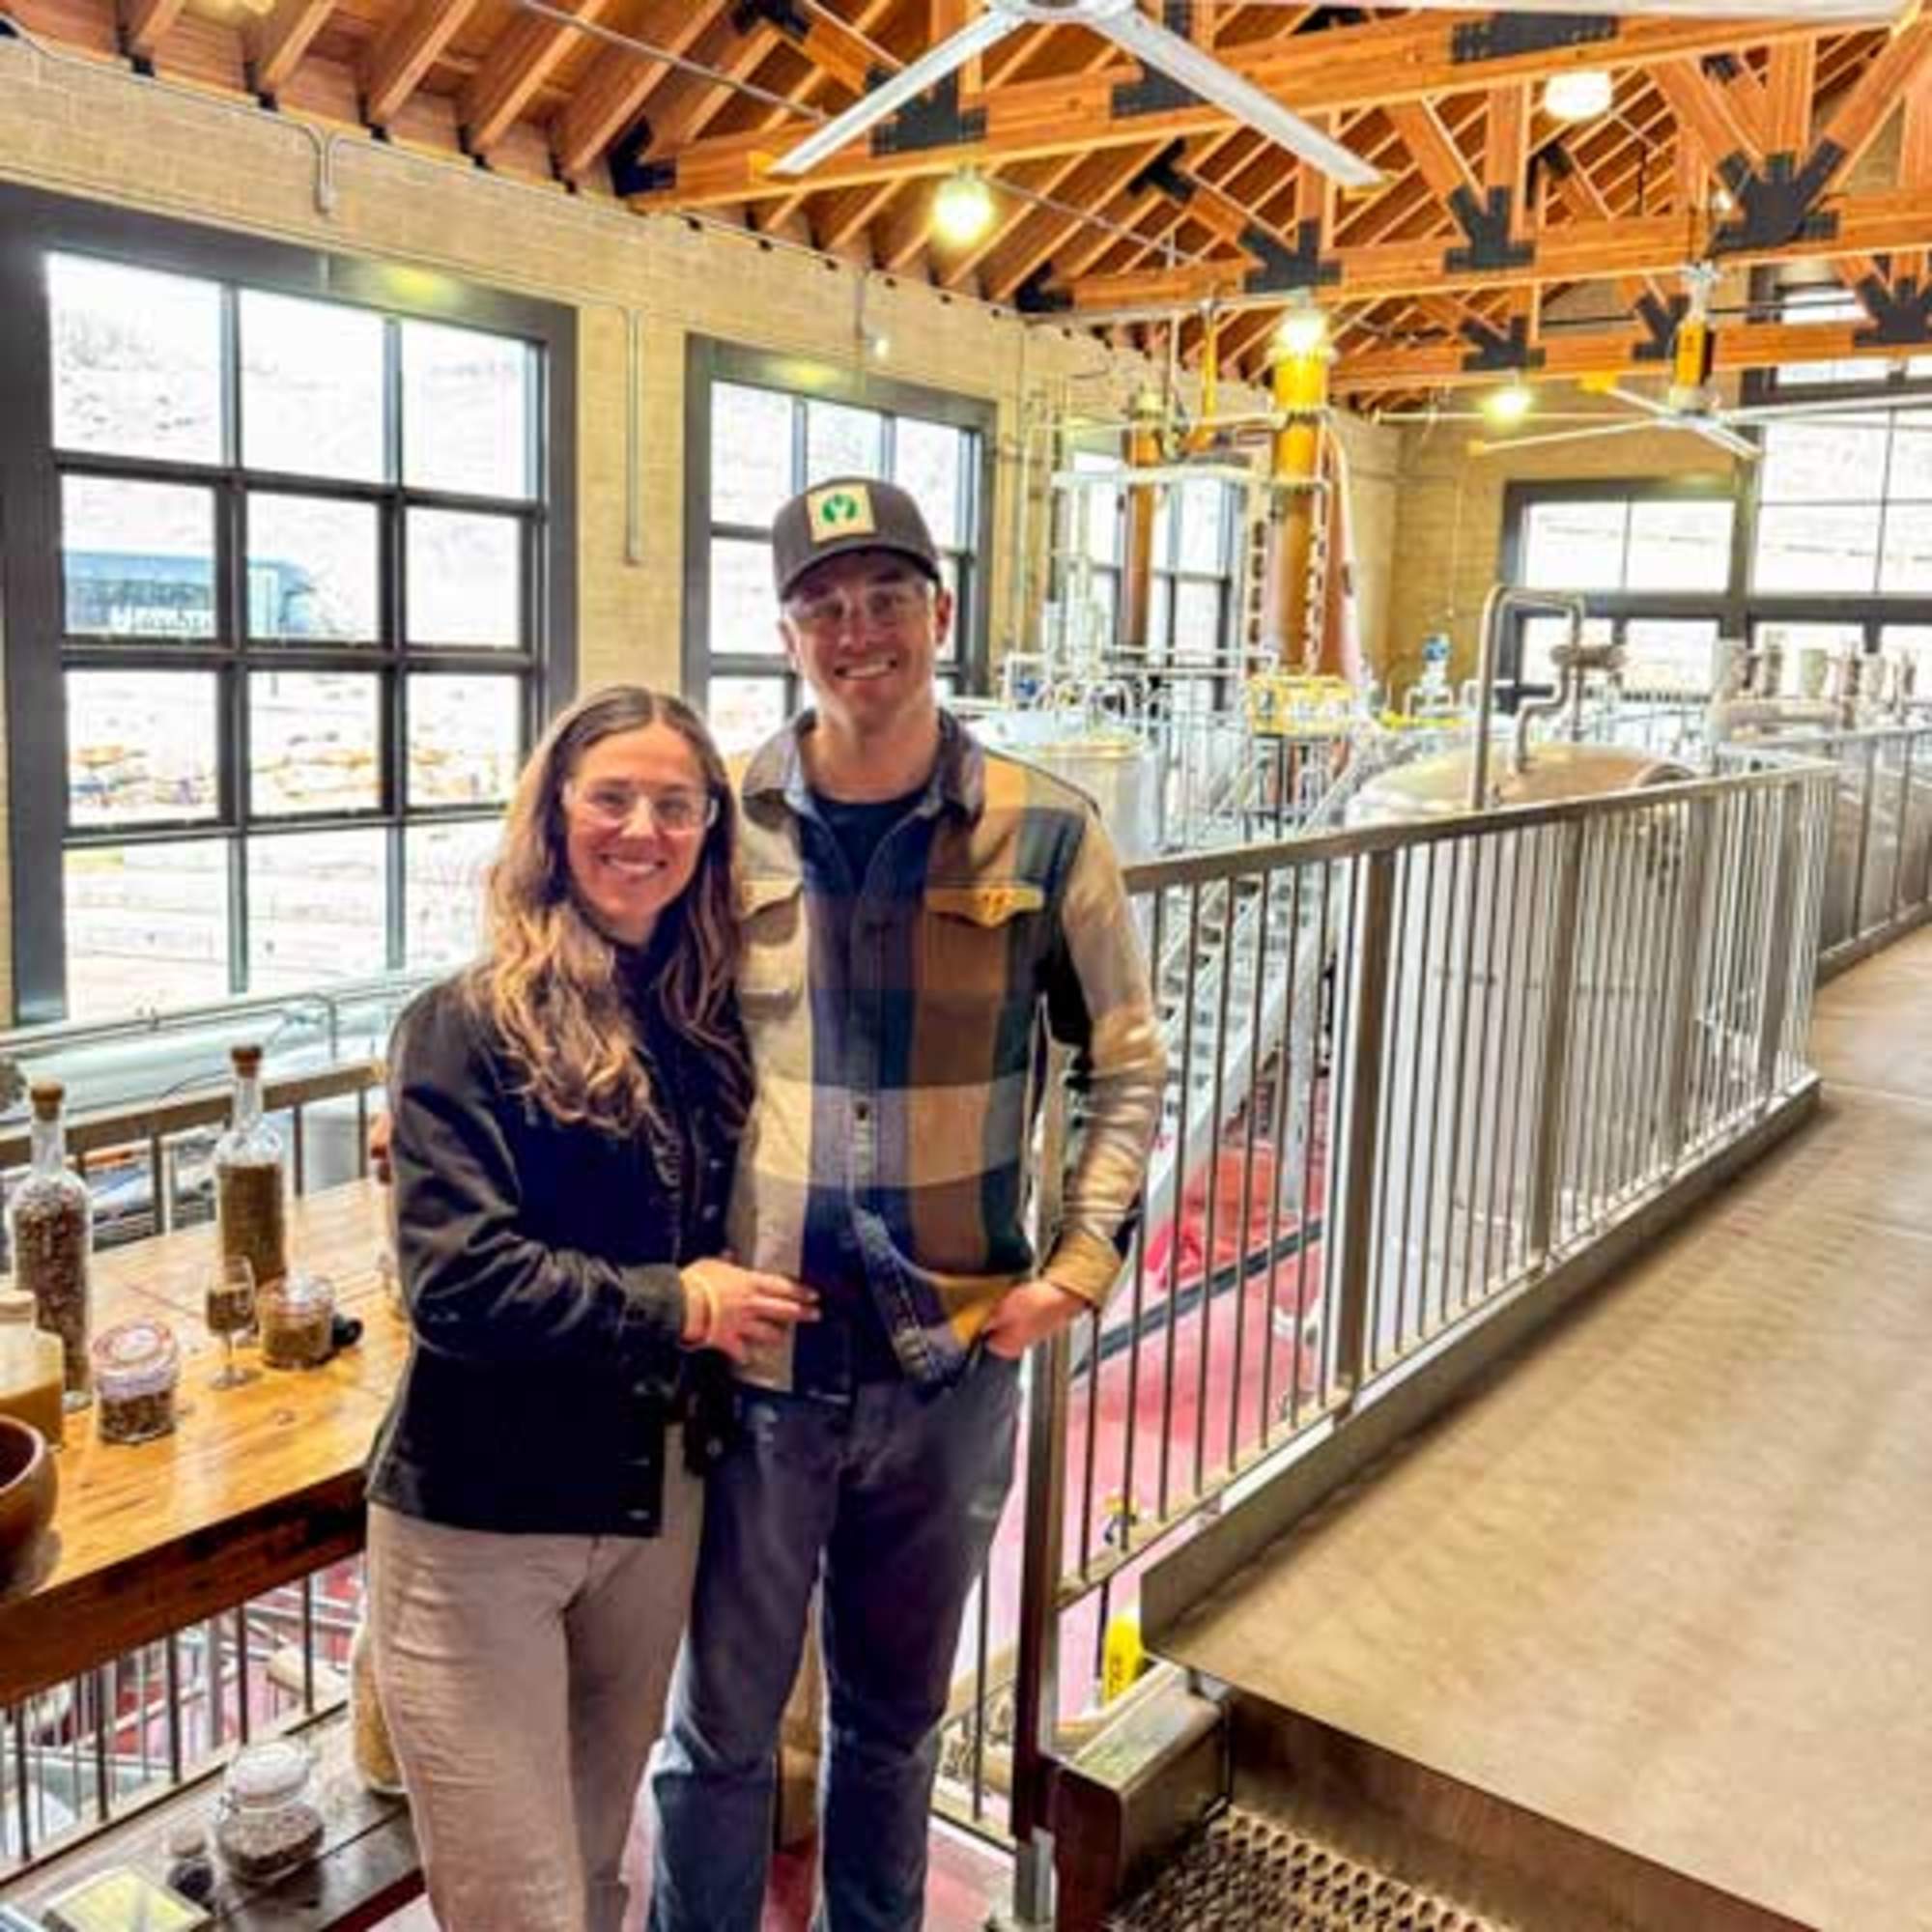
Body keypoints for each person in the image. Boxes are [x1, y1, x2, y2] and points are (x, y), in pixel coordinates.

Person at [649, 478, 1166, 1931]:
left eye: (886, 598)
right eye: (822, 604)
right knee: (719, 1735)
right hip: (761, 1365)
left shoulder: (1047, 833)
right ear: (787, 634)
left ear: (941, 613)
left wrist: (1080, 1260)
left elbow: (1125, 1063)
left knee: (891, 1728)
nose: (856, 630)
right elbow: (623, 1007)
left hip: (951, 1361)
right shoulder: (722, 820)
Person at [366, 685, 817, 1932]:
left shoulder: (707, 1029)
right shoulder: (461, 1026)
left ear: (711, 832)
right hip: (481, 1525)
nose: (642, 830)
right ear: (554, 815)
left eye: (676, 805)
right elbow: (459, 1282)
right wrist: (683, 1305)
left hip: (649, 1508)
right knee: (519, 1906)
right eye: (611, 797)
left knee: (595, 1867)